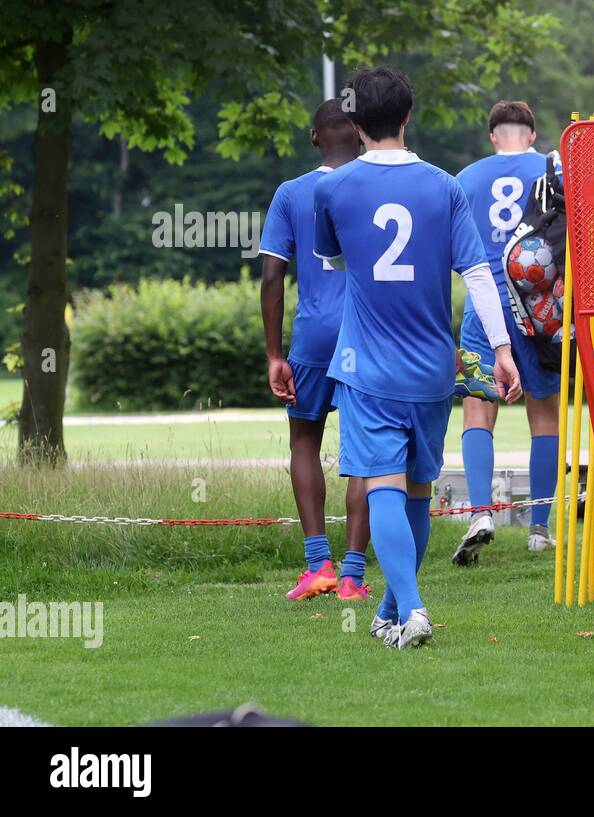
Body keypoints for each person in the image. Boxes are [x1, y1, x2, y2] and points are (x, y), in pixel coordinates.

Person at [314, 66, 522, 649]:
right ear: (407, 117)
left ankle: (413, 609)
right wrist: (501, 348)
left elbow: (332, 261)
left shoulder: (331, 188)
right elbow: (479, 272)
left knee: (382, 486)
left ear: (355, 124)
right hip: (435, 366)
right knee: (419, 492)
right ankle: (391, 611)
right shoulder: (445, 186)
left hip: (367, 366)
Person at [259, 98, 370, 602]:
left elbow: (271, 277)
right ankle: (352, 576)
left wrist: (273, 354)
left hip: (313, 337)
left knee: (304, 441)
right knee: (366, 452)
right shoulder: (379, 185)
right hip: (369, 333)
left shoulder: (290, 193)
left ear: (314, 137)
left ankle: (317, 565)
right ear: (361, 131)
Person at [452, 101, 561, 564]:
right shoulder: (550, 170)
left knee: (478, 413)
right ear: (532, 135)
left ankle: (480, 512)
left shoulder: (465, 178)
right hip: (537, 310)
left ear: (493, 136)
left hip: (484, 306)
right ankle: (539, 527)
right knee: (545, 418)